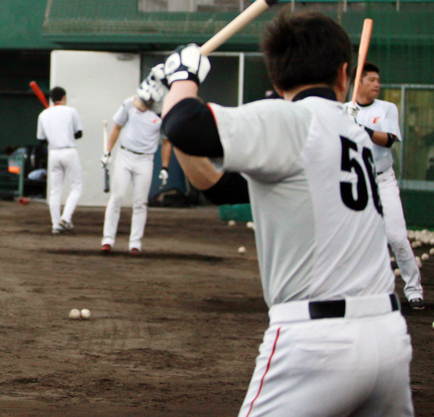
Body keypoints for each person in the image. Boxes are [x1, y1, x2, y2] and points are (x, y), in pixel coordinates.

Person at [159, 10, 414, 416]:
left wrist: (180, 78)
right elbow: (223, 186)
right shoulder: (355, 132)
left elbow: (187, 124)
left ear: (276, 80)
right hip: (387, 337)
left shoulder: (292, 118)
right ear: (344, 75)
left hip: (316, 343)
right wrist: (169, 114)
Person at [346, 62, 425, 309]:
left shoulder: (386, 109)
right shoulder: (344, 109)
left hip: (383, 179)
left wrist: (361, 127)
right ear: (358, 82)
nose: (377, 84)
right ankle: (358, 292)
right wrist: (343, 121)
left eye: (378, 80)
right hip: (356, 181)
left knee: (398, 238)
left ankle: (414, 291)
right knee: (354, 240)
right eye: (371, 80)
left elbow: (388, 140)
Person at [101, 66, 172, 255]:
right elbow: (116, 128)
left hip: (145, 160)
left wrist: (165, 167)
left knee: (140, 202)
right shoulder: (128, 104)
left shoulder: (161, 114)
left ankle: (135, 243)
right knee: (116, 197)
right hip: (125, 155)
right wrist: (108, 151)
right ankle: (107, 239)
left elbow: (166, 143)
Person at [37, 86, 83, 234]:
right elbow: (79, 134)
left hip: (53, 153)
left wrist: (54, 134)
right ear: (63, 97)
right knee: (76, 186)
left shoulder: (43, 114)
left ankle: (56, 225)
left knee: (55, 190)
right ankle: (65, 218)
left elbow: (41, 140)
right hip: (69, 151)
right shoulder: (71, 111)